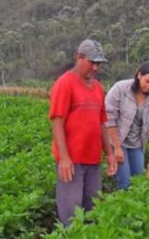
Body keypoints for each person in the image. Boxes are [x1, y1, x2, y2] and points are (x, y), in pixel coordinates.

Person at [49, 39, 117, 227]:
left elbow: (102, 123)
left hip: (93, 160)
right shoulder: (65, 84)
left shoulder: (97, 88)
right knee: (71, 213)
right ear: (79, 58)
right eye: (92, 62)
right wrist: (63, 158)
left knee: (93, 209)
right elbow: (57, 122)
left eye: (99, 64)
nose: (96, 67)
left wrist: (109, 153)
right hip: (72, 161)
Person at [105, 60, 149, 190]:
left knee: (139, 181)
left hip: (137, 143)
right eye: (147, 81)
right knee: (125, 183)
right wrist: (117, 147)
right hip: (118, 140)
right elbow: (109, 119)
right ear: (139, 75)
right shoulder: (120, 88)